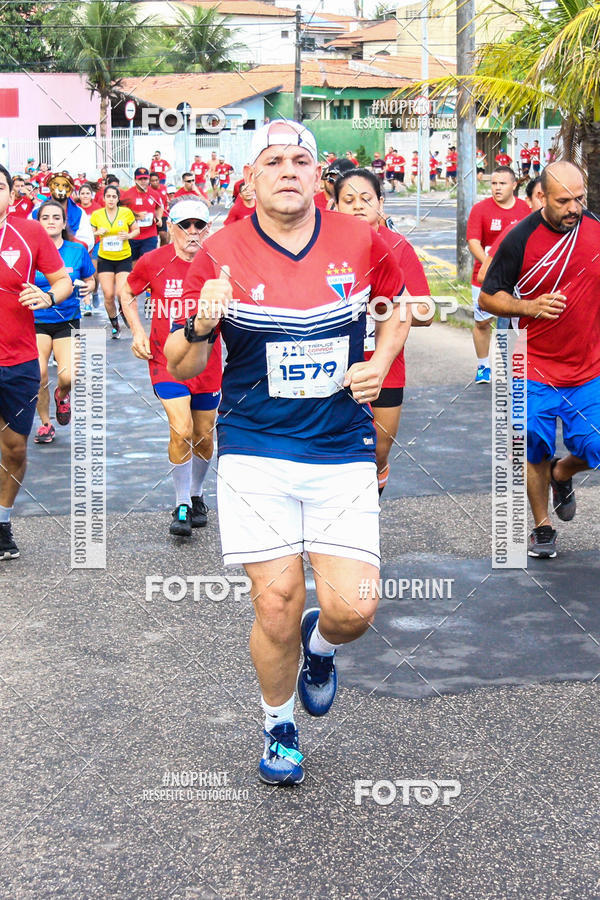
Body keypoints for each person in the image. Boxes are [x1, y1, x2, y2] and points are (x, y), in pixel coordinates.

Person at [164, 120, 411, 786]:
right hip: (255, 446)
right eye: (272, 160)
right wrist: (200, 323)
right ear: (250, 180)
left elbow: (398, 306)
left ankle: (321, 646)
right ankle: (278, 725)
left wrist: (381, 361)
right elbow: (179, 362)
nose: (288, 170)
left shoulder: (362, 240)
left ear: (316, 178)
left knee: (354, 610)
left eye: (300, 159)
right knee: (274, 599)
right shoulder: (217, 250)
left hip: (340, 446)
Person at [479, 161, 600, 559]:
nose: (574, 208)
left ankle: (562, 474)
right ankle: (542, 526)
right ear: (541, 197)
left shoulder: (596, 229)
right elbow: (487, 297)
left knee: (595, 444)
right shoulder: (519, 239)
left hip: (588, 367)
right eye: (564, 200)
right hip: (533, 367)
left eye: (580, 199)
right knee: (534, 446)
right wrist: (527, 305)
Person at [121, 199, 221, 536]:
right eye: (185, 225)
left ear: (207, 229)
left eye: (199, 226)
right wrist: (136, 331)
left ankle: (196, 494)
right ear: (170, 228)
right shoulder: (153, 261)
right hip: (167, 362)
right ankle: (181, 504)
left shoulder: (219, 264)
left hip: (207, 363)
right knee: (182, 429)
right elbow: (128, 291)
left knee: (204, 436)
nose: (192, 232)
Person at [334, 168, 432, 494]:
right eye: (349, 200)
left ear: (381, 204)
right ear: (335, 206)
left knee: (378, 449)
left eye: (366, 199)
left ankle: (373, 494)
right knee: (333, 451)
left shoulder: (398, 247)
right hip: (332, 364)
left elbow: (425, 311)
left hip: (384, 367)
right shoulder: (325, 247)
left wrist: (378, 309)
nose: (358, 206)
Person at [0, 165, 71, 560]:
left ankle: (2, 522)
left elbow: (60, 279)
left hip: (19, 359)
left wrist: (49, 297)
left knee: (14, 449)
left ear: (11, 194)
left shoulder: (29, 233)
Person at [32, 200, 95, 443]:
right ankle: (46, 424)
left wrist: (87, 287)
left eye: (56, 217)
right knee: (39, 375)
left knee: (69, 376)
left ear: (64, 222)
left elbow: (91, 280)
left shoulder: (76, 250)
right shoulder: (32, 251)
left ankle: (62, 394)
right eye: (45, 217)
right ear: (38, 222)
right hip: (36, 320)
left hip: (67, 319)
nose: (50, 221)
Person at [466, 166, 530, 383]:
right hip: (483, 277)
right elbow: (473, 242)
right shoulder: (480, 209)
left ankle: (513, 368)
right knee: (483, 323)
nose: (497, 188)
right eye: (494, 183)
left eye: (502, 183)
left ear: (514, 185)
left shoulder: (525, 210)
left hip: (517, 279)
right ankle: (483, 366)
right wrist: (492, 267)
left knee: (514, 322)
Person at [90, 185, 140, 338]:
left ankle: (124, 312)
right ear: (103, 198)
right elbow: (89, 234)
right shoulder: (97, 215)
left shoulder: (125, 213)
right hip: (105, 259)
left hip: (123, 258)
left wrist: (128, 236)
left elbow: (137, 230)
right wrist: (98, 233)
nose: (111, 199)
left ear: (118, 199)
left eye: (114, 196)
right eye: (108, 196)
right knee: (108, 294)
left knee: (120, 293)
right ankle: (114, 324)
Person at [477, 176, 544, 286]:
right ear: (529, 201)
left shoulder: (573, 233)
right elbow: (484, 275)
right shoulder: (515, 232)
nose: (546, 203)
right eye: (540, 197)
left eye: (553, 197)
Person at [32, 172, 94, 252]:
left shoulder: (79, 213)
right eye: (56, 185)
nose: (60, 189)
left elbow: (87, 241)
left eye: (65, 185)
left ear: (71, 189)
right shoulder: (37, 210)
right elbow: (31, 237)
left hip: (70, 256)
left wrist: (66, 245)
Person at [120, 167, 164, 262]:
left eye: (145, 179)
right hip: (133, 235)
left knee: (147, 261)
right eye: (140, 179)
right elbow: (121, 212)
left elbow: (160, 206)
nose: (143, 181)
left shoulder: (154, 194)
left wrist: (159, 218)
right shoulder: (128, 194)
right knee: (133, 262)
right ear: (135, 179)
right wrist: (136, 215)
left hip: (150, 234)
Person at [149, 173, 170, 246]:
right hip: (152, 215)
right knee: (153, 236)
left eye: (156, 180)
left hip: (163, 214)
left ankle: (162, 250)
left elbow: (168, 198)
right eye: (152, 181)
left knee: (163, 235)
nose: (154, 182)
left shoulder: (164, 188)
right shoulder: (148, 191)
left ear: (159, 180)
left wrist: (168, 203)